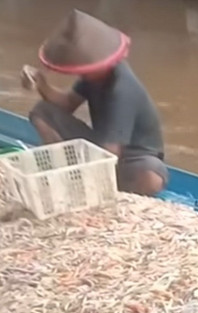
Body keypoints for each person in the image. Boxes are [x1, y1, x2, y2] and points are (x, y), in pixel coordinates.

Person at [22, 9, 168, 197]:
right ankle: (68, 169)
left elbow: (111, 152)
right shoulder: (93, 76)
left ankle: (89, 181)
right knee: (42, 112)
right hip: (101, 147)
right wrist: (42, 84)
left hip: (131, 158)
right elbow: (67, 103)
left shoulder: (122, 90)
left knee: (151, 174)